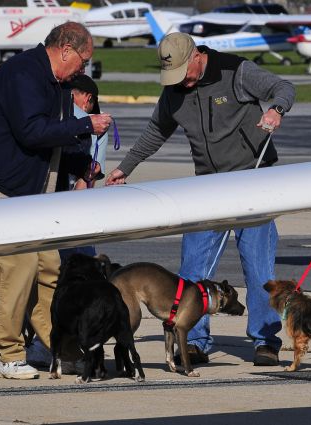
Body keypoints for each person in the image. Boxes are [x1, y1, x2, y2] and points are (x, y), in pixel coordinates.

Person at [105, 32, 295, 366]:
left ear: (196, 56)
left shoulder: (235, 71)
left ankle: (265, 340)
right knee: (194, 266)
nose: (180, 82)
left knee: (259, 268)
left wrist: (277, 110)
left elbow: (283, 88)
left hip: (254, 180)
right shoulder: (175, 89)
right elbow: (156, 131)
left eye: (183, 73)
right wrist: (125, 167)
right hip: (207, 186)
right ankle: (193, 339)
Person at [0, 22, 112, 379]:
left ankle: (57, 349)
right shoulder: (23, 75)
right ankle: (7, 353)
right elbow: (32, 132)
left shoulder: (57, 83)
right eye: (84, 60)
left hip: (29, 195)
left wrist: (84, 165)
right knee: (18, 267)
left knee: (50, 268)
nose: (85, 69)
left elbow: (52, 141)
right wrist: (86, 126)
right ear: (65, 50)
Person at [58, 74, 109, 261]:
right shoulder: (96, 125)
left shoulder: (48, 112)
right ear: (88, 99)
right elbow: (88, 180)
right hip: (68, 210)